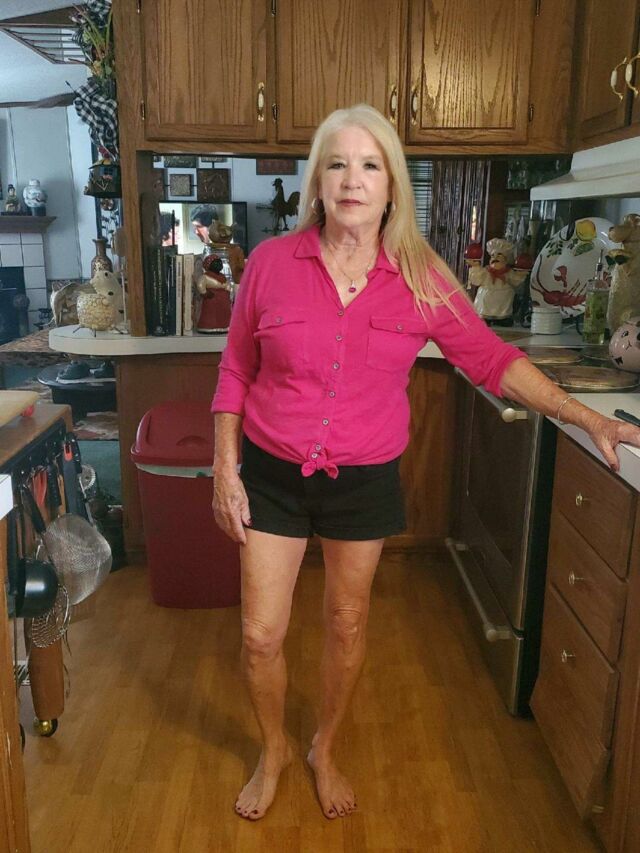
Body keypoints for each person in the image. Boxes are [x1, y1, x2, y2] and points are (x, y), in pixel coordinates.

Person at [211, 104, 640, 822]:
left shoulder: (420, 274)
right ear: (318, 180)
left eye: (370, 165)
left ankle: (324, 747)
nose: (353, 180)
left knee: (348, 622)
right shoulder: (270, 265)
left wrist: (584, 414)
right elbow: (235, 371)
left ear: (391, 186)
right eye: (337, 164)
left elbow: (492, 358)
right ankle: (273, 747)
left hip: (364, 481)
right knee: (260, 635)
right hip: (271, 473)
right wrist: (225, 471)